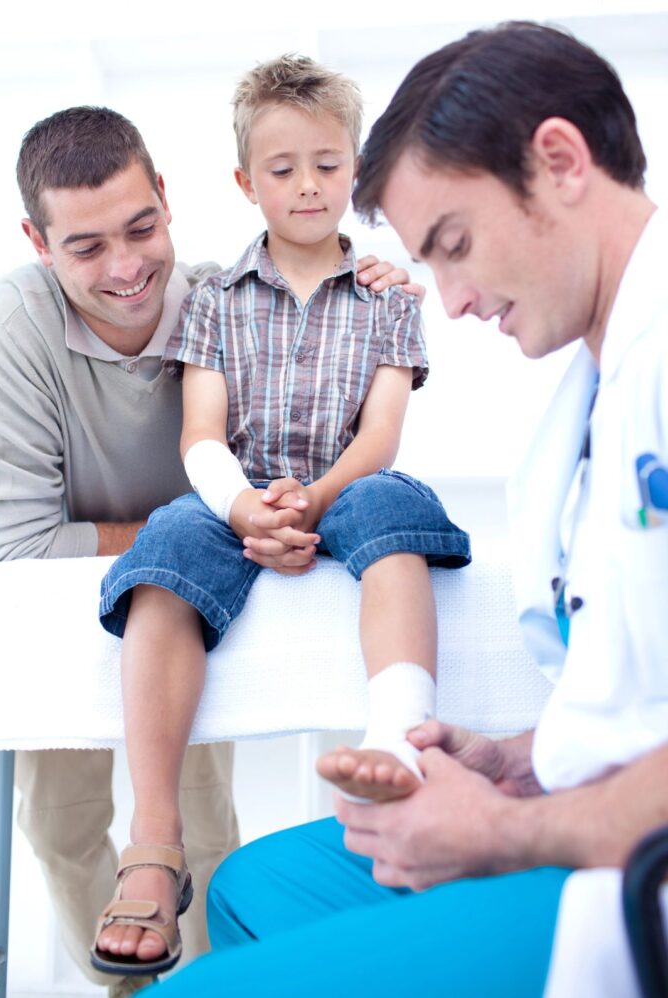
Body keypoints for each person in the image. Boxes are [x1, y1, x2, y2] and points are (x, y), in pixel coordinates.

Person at [143, 21, 668, 997]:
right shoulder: (596, 383)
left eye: (456, 244)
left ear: (558, 161)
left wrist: (513, 828)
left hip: (633, 876)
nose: (453, 301)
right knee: (253, 888)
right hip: (580, 801)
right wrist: (519, 759)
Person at [0, 104, 415, 997]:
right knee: (63, 824)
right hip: (67, 603)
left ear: (166, 197)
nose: (125, 268)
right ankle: (134, 989)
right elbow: (20, 549)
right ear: (37, 242)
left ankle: (215, 986)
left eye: (141, 227)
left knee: (199, 815)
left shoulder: (226, 304)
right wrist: (207, 523)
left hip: (188, 607)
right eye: (85, 248)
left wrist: (371, 282)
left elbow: (322, 396)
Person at [92, 55, 470, 978]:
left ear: (357, 170)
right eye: (283, 168)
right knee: (169, 543)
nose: (308, 186)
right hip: (237, 493)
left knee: (393, 512)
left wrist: (320, 498)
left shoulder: (387, 296)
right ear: (244, 182)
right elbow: (201, 432)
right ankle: (153, 842)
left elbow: (381, 433)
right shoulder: (216, 300)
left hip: (348, 481)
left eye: (329, 164)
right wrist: (244, 508)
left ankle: (397, 742)